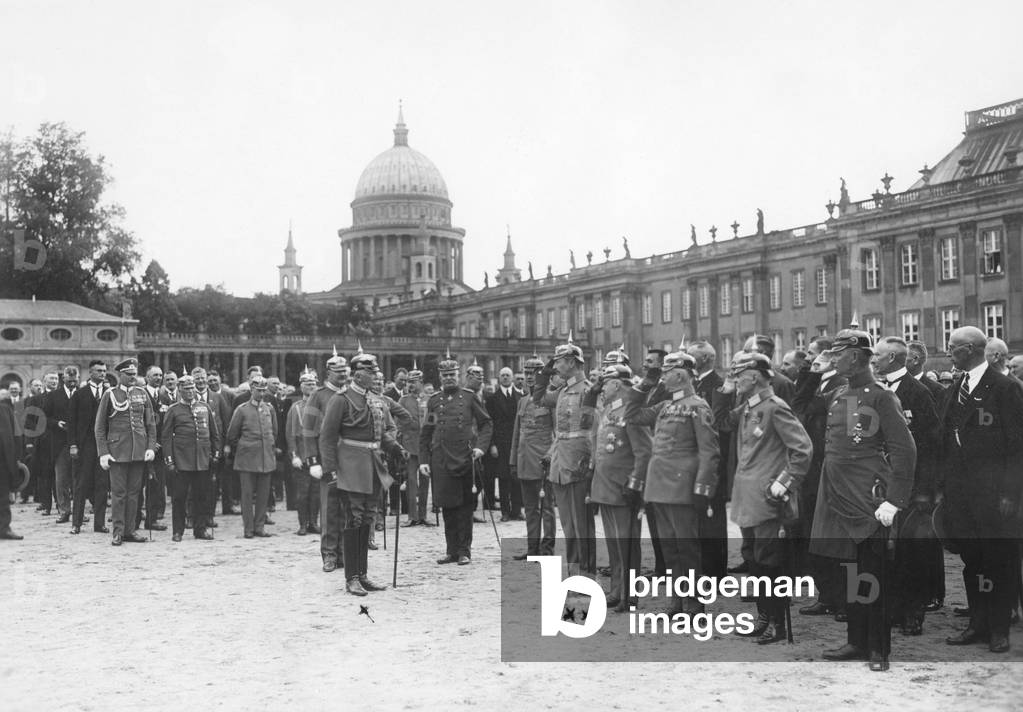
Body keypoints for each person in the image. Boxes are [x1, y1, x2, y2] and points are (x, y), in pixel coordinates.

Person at [811, 330, 916, 671]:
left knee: (873, 575)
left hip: (867, 499)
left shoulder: (881, 396)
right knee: (850, 573)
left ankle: (878, 648)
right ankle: (856, 640)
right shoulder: (841, 393)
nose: (833, 359)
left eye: (837, 353)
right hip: (837, 496)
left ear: (855, 356)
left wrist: (894, 500)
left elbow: (904, 450)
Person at [714, 352, 812, 644]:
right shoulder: (749, 406)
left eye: (738, 374)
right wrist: (725, 393)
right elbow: (721, 422)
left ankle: (777, 623)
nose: (734, 379)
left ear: (754, 376)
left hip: (768, 496)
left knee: (769, 562)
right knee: (754, 560)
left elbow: (802, 449)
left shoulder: (775, 408)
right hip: (748, 495)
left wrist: (785, 482)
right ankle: (764, 618)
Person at [941, 326, 1023, 654]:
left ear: (972, 349)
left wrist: (1010, 493)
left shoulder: (1005, 387)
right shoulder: (956, 386)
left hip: (993, 493)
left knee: (998, 560)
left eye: (954, 347)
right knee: (972, 560)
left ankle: (998, 628)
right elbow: (945, 439)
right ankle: (977, 622)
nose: (949, 352)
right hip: (961, 492)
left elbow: (1017, 446)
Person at [627, 350, 720, 615]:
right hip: (659, 486)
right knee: (669, 549)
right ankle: (676, 602)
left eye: (666, 373)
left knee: (687, 548)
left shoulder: (698, 406)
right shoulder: (665, 406)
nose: (663, 378)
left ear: (680, 375)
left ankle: (693, 605)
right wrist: (646, 381)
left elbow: (709, 451)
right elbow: (632, 413)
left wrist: (703, 489)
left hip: (682, 487)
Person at [319, 349, 407, 595]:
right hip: (350, 468)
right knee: (354, 520)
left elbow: (380, 434)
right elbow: (327, 438)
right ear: (358, 376)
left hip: (373, 466)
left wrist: (397, 449)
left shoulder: (376, 400)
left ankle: (363, 574)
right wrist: (331, 471)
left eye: (375, 371)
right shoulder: (342, 399)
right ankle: (351, 578)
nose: (376, 375)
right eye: (371, 372)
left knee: (367, 520)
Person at [872, 336, 942, 635]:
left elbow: (931, 445)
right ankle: (893, 608)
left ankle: (913, 612)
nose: (873, 360)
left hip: (913, 487)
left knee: (912, 552)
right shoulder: (875, 392)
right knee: (886, 553)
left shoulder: (918, 392)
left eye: (877, 355)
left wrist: (926, 490)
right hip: (882, 485)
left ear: (892, 358)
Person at [589, 361, 652, 611]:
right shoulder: (608, 410)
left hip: (623, 488)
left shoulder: (632, 412)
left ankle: (630, 594)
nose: (602, 388)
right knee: (614, 544)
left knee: (627, 543)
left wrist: (635, 485)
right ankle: (617, 589)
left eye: (605, 383)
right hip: (605, 487)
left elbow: (644, 452)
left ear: (617, 384)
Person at [420, 355, 493, 566]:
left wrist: (480, 447)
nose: (449, 379)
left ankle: (464, 551)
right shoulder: (434, 401)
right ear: (440, 378)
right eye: (445, 376)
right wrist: (424, 460)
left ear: (458, 376)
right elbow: (426, 432)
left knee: (464, 507)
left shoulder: (469, 398)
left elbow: (486, 424)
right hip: (441, 460)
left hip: (465, 458)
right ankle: (451, 550)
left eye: (452, 375)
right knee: (447, 506)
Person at [532, 336, 596, 578]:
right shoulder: (563, 390)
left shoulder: (587, 390)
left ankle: (586, 573)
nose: (555, 365)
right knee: (569, 523)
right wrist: (544, 373)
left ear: (571, 362)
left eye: (558, 361)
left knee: (581, 524)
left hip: (577, 461)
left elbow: (592, 429)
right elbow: (539, 398)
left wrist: (588, 463)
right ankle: (574, 570)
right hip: (560, 461)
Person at [793, 349, 848, 619]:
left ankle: (841, 598)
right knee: (817, 536)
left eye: (818, 363)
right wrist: (811, 374)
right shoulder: (823, 385)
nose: (812, 367)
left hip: (833, 468)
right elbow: (799, 405)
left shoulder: (842, 386)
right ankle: (826, 594)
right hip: (814, 469)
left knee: (835, 539)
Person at [95, 358, 157, 546]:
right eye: (128, 374)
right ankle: (118, 531)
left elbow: (151, 424)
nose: (132, 378)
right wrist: (103, 452)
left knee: (134, 494)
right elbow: (99, 427)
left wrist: (150, 447)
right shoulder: (110, 394)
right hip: (117, 452)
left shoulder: (142, 393)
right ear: (120, 375)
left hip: (138, 450)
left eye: (134, 374)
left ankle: (131, 530)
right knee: (118, 494)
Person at [304, 349, 350, 572]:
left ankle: (344, 552)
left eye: (345, 371)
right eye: (337, 371)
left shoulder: (351, 393)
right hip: (328, 460)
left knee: (348, 510)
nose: (342, 375)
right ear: (328, 372)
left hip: (350, 460)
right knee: (330, 508)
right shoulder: (318, 396)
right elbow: (309, 430)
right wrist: (313, 460)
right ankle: (329, 554)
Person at [688, 340, 730, 580]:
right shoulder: (696, 383)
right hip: (695, 461)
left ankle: (715, 572)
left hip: (712, 462)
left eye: (692, 357)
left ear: (704, 359)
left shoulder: (717, 384)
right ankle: (703, 567)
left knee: (713, 518)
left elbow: (717, 425)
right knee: (699, 519)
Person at [162, 372, 220, 541]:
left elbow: (214, 433)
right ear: (180, 390)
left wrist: (216, 453)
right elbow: (166, 437)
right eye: (186, 388)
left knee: (201, 496)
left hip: (202, 460)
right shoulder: (173, 410)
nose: (190, 391)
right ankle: (178, 531)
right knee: (179, 497)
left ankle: (200, 529)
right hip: (181, 461)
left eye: (192, 388)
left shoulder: (204, 407)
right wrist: (169, 460)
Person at [509, 355, 555, 560]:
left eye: (534, 373)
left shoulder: (551, 398)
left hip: (544, 461)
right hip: (524, 461)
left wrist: (551, 455)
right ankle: (532, 548)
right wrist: (513, 461)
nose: (529, 377)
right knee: (530, 509)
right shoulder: (522, 401)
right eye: (526, 373)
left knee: (546, 508)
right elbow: (517, 434)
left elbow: (559, 432)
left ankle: (547, 550)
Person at [226, 375, 278, 539]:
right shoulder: (241, 410)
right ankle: (248, 529)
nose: (261, 394)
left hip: (265, 458)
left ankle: (259, 527)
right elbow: (232, 435)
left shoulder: (269, 409)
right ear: (251, 389)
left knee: (263, 495)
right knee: (247, 496)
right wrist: (245, 447)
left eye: (264, 390)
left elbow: (274, 432)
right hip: (247, 459)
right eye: (258, 390)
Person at [68, 360, 110, 535]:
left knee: (102, 485)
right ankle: (76, 523)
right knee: (81, 484)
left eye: (104, 371)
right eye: (99, 371)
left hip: (104, 447)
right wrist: (73, 445)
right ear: (90, 373)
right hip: (84, 446)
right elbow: (71, 422)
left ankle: (99, 524)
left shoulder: (110, 393)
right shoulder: (80, 394)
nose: (102, 373)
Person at [485, 367, 523, 522]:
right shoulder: (492, 398)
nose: (505, 377)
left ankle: (517, 510)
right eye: (503, 375)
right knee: (503, 477)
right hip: (500, 444)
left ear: (512, 378)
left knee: (517, 477)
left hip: (517, 443)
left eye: (508, 375)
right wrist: (492, 444)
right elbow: (489, 423)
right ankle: (505, 512)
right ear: (499, 378)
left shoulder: (520, 396)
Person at [397, 366, 434, 527]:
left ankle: (423, 514)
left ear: (421, 382)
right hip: (409, 445)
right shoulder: (403, 400)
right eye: (408, 382)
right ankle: (412, 516)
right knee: (411, 480)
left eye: (414, 382)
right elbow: (398, 424)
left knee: (425, 480)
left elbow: (433, 421)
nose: (410, 385)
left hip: (425, 446)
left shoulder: (429, 399)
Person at [286, 368, 321, 535]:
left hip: (318, 454)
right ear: (301, 387)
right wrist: (294, 455)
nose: (311, 386)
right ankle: (302, 524)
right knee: (302, 493)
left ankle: (314, 522)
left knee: (316, 492)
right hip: (302, 454)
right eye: (308, 384)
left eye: (314, 384)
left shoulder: (322, 405)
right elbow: (291, 434)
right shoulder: (296, 407)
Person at [43, 365, 79, 523]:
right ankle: (64, 510)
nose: (72, 382)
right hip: (60, 443)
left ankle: (79, 511)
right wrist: (57, 423)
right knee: (61, 479)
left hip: (80, 442)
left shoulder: (82, 394)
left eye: (74, 380)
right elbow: (44, 417)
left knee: (79, 479)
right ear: (63, 378)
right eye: (69, 380)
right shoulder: (53, 396)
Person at [1, 392, 24, 540]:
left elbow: (16, 434)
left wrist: (16, 458)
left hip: (2, 460)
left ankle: (3, 528)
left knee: (2, 495)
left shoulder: (4, 408)